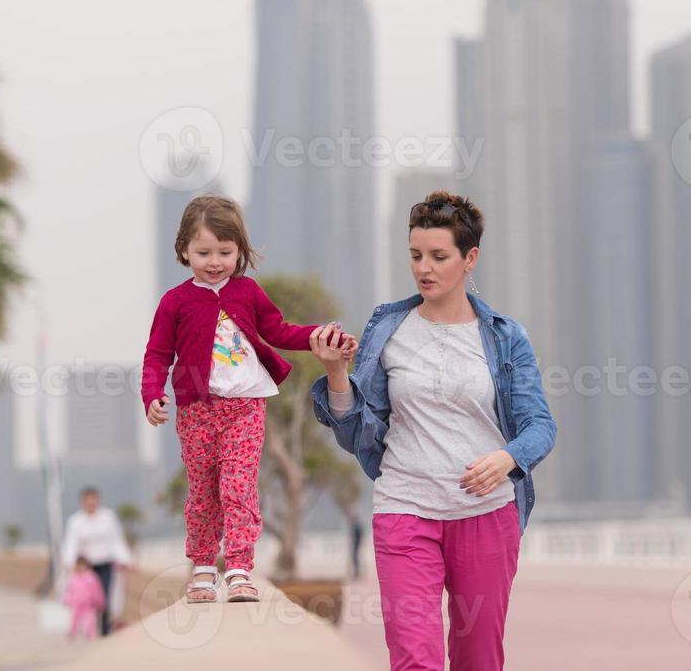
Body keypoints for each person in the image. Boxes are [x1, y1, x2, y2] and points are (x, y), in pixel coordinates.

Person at [311, 191, 557, 671]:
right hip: (405, 510)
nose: (424, 268)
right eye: (415, 255)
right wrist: (337, 375)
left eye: (439, 257)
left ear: (470, 259)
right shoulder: (389, 328)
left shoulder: (507, 337)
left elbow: (540, 425)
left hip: (486, 514)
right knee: (414, 658)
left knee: (478, 659)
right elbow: (357, 433)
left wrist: (508, 458)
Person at [141, 194, 356, 604]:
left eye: (225, 251)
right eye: (204, 252)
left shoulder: (247, 292)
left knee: (238, 486)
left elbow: (278, 330)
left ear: (239, 249)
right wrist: (152, 394)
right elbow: (157, 355)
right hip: (196, 411)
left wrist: (318, 337)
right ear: (183, 250)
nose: (215, 261)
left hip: (245, 408)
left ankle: (239, 569)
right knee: (204, 491)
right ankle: (203, 568)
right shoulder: (175, 302)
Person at [59, 487, 130, 637]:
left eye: (93, 499)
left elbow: (116, 540)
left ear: (98, 500)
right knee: (89, 598)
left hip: (106, 563)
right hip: (87, 567)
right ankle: (89, 626)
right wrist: (69, 562)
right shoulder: (75, 521)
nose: (91, 503)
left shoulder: (108, 517)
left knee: (104, 595)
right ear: (83, 502)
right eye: (88, 500)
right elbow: (71, 543)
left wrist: (125, 559)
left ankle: (105, 627)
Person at [62, 555, 106, 640]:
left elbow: (97, 590)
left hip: (89, 605)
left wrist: (100, 602)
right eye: (79, 565)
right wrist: (67, 600)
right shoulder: (73, 577)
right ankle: (71, 635)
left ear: (87, 566)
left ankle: (91, 637)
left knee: (90, 622)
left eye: (83, 565)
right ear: (76, 565)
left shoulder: (91, 577)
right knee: (73, 621)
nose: (81, 567)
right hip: (76, 604)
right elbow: (69, 590)